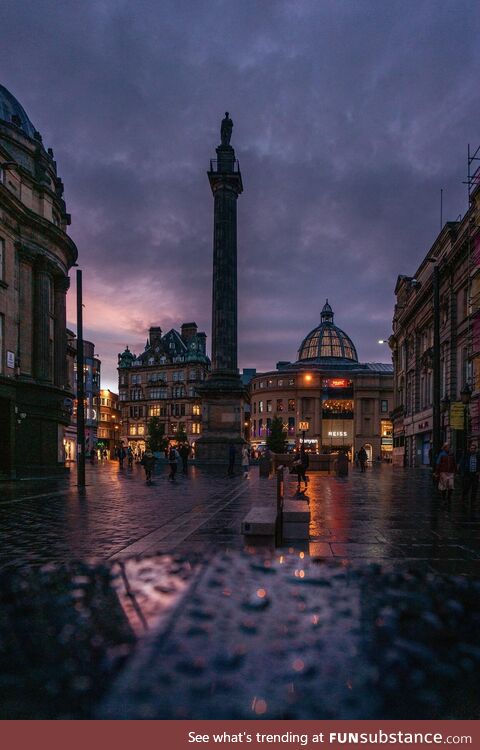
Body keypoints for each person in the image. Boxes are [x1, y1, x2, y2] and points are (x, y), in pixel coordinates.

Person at [459, 442, 480, 509]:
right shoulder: (466, 456)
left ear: (475, 449)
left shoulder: (478, 456)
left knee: (474, 489)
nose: (472, 450)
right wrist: (462, 473)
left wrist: (478, 471)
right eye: (471, 448)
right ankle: (463, 498)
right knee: (466, 488)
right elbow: (462, 464)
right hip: (467, 474)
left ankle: (472, 501)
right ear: (469, 449)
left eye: (474, 448)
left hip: (475, 475)